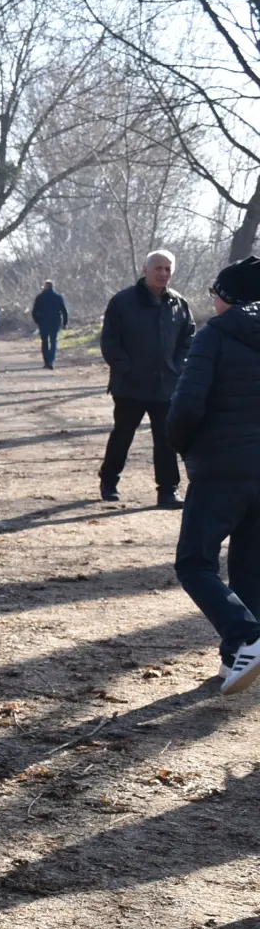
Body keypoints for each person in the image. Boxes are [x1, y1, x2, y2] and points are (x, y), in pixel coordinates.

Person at [167, 256, 260, 695]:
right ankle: (235, 659)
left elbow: (186, 406)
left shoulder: (214, 336)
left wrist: (181, 446)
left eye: (216, 295)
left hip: (221, 470)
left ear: (230, 298)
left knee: (194, 562)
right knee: (249, 566)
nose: (214, 303)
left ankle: (247, 637)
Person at [99, 250, 195, 508]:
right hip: (130, 385)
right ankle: (109, 480)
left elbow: (188, 338)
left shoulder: (178, 303)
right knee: (123, 435)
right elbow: (109, 341)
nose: (163, 273)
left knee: (166, 438)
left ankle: (167, 490)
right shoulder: (122, 302)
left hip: (165, 385)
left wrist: (178, 365)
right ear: (145, 269)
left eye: (168, 269)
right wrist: (126, 369)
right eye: (158, 268)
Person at [31, 279, 69, 369]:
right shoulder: (58, 297)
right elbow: (64, 311)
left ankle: (46, 361)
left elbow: (34, 311)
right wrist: (65, 323)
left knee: (44, 342)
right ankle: (51, 361)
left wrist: (37, 320)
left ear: (45, 286)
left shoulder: (40, 297)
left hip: (43, 322)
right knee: (53, 341)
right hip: (55, 322)